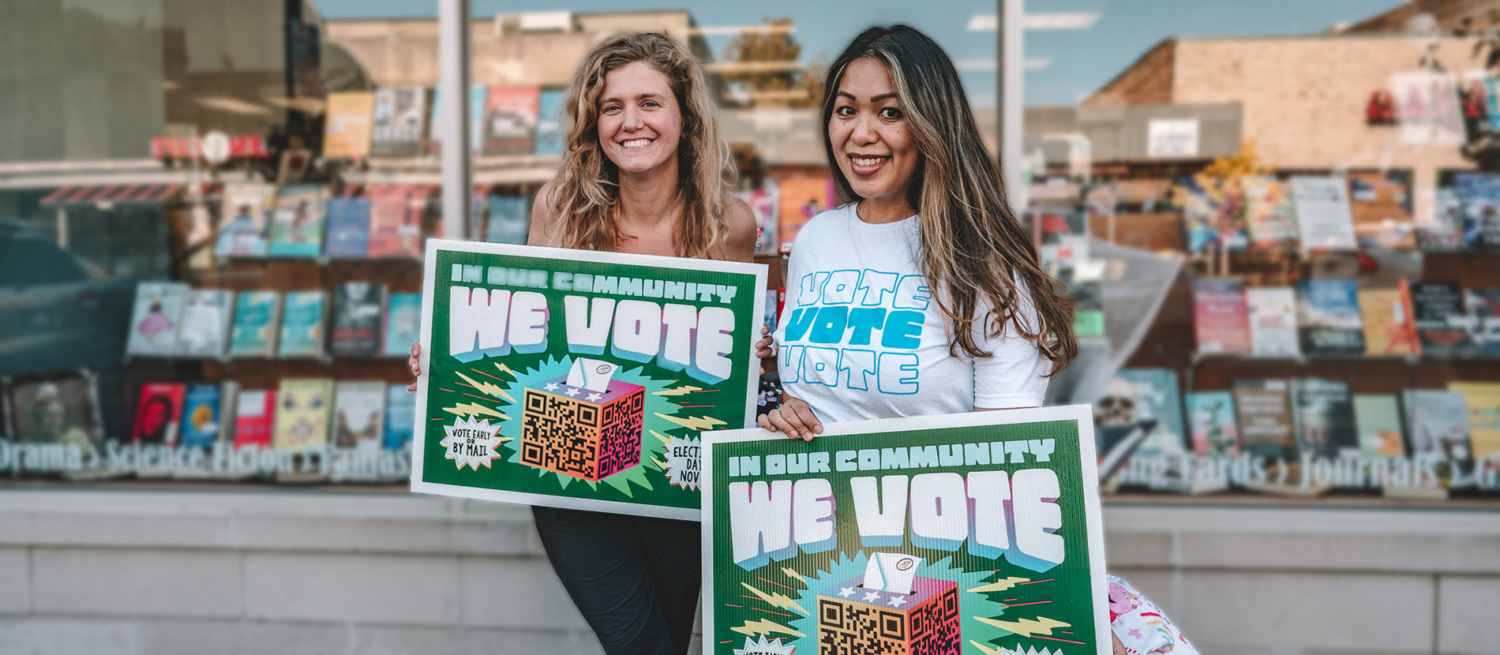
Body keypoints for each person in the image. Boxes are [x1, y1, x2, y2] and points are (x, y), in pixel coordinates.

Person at [754, 26, 1197, 654]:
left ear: (934, 125)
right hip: (822, 569)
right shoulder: (819, 240)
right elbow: (813, 395)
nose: (861, 132)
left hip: (950, 579)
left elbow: (1012, 473)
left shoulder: (984, 269)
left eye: (891, 112)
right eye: (846, 110)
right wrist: (780, 413)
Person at [407, 32, 758, 655]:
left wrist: (756, 357)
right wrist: (445, 351)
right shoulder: (559, 210)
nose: (631, 122)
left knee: (666, 644)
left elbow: (739, 357)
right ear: (593, 123)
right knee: (637, 643)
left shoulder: (728, 225)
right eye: (612, 106)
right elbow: (514, 325)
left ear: (685, 118)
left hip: (678, 477)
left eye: (650, 103)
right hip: (568, 470)